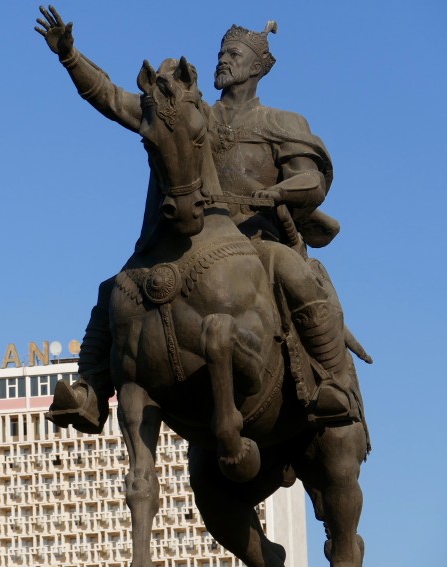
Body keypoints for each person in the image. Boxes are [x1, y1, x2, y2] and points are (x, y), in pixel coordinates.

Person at [36, 6, 362, 425]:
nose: (223, 60)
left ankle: (333, 381)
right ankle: (92, 389)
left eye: (235, 55)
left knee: (294, 271)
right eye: (222, 53)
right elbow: (113, 99)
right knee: (113, 289)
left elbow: (311, 181)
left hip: (255, 239)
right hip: (193, 236)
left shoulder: (282, 121)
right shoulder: (190, 113)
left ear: (259, 67)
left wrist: (276, 192)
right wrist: (70, 57)